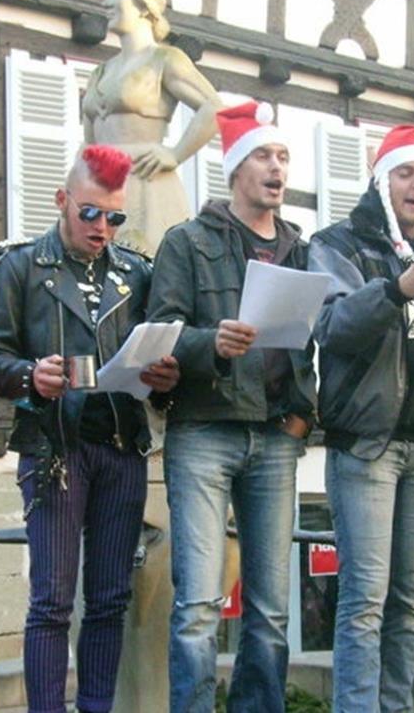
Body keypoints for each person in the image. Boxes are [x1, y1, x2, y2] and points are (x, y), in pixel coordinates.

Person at [0, 145, 180, 713]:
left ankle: (95, 708)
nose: (103, 228)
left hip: (122, 446)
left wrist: (164, 376)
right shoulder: (20, 264)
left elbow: (156, 354)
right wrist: (28, 374)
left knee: (111, 598)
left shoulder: (136, 271)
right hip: (54, 450)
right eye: (90, 213)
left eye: (115, 217)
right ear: (62, 201)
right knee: (52, 601)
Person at [307, 125, 414, 712]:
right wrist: (395, 290)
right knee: (365, 598)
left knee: (411, 599)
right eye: (405, 173)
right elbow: (331, 329)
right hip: (367, 447)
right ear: (381, 182)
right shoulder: (338, 242)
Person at [146, 100, 316, 713]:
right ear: (237, 169)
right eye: (265, 156)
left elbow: (309, 340)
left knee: (271, 606)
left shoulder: (300, 247)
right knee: (197, 604)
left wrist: (303, 415)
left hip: (275, 438)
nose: (278, 168)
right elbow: (160, 329)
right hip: (205, 431)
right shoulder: (187, 242)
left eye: (284, 157)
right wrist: (208, 342)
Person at [84, 0, 223, 255]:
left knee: (147, 269)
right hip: (99, 189)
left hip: (145, 182)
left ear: (142, 3)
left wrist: (174, 153)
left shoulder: (165, 59)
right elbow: (89, 143)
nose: (105, 3)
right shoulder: (100, 71)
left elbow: (214, 108)